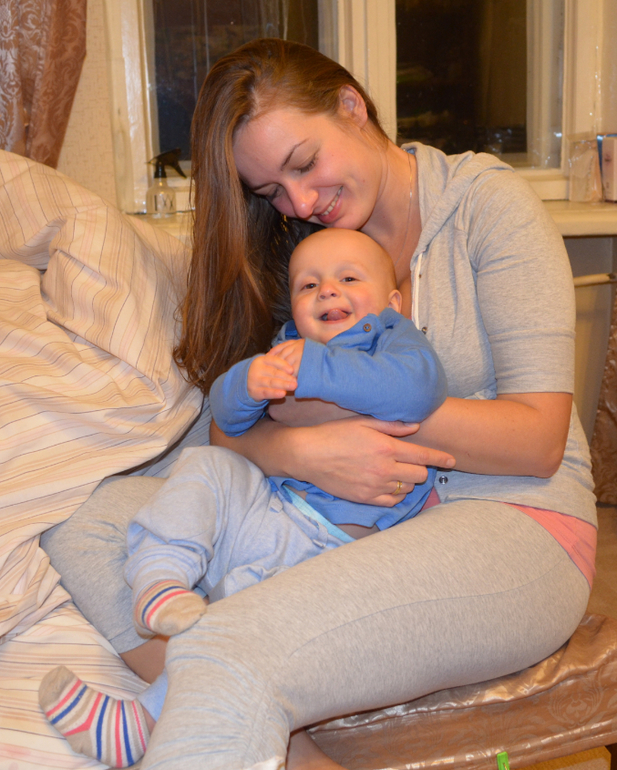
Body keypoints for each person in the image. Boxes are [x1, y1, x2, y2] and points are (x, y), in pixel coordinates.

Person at [39, 37, 597, 770]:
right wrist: (301, 449)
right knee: (83, 524)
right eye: (270, 190)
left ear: (350, 106)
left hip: (513, 515)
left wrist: (344, 410)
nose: (298, 203)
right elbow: (231, 427)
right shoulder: (303, 252)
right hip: (324, 514)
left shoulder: (484, 205)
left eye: (303, 164)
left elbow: (538, 440)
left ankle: (216, 696)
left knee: (233, 640)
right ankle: (260, 733)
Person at [38, 228, 448, 767]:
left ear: (393, 302)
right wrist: (248, 382)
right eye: (308, 285)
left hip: (333, 544)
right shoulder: (286, 347)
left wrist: (312, 367)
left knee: (239, 606)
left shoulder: (395, 341)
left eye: (349, 278)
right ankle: (160, 580)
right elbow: (229, 423)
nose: (328, 290)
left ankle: (143, 719)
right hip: (268, 505)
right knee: (207, 466)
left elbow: (415, 391)